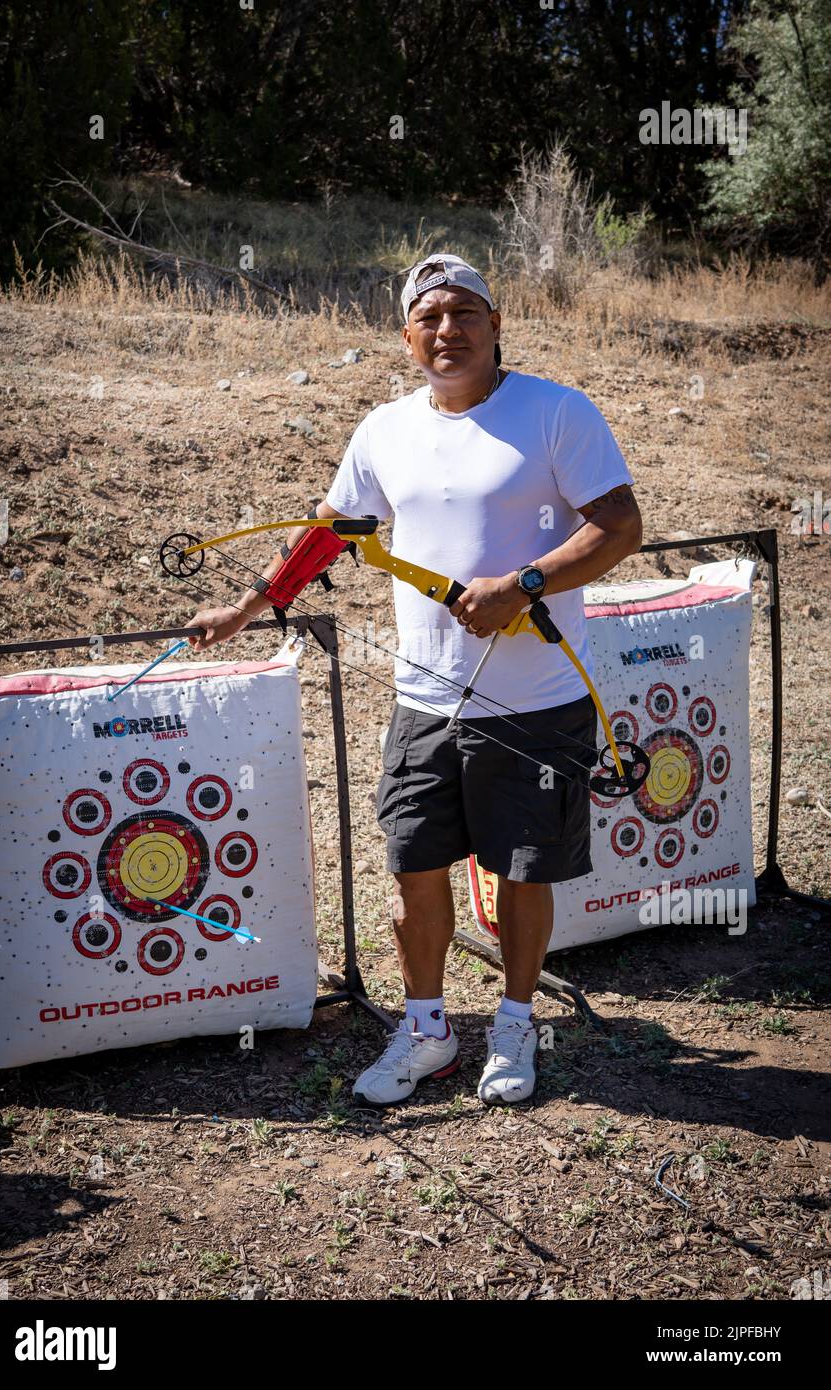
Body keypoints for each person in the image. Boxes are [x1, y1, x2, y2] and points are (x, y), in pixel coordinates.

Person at [186, 253, 642, 1108]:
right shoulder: (384, 430)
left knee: (523, 872)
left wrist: (524, 585)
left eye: (465, 312)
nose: (448, 331)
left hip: (537, 699)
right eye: (428, 318)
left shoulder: (556, 412)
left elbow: (620, 527)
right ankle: (428, 1029)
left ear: (497, 323)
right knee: (414, 870)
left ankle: (514, 1023)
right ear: (406, 337)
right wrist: (243, 611)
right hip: (426, 699)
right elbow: (326, 536)